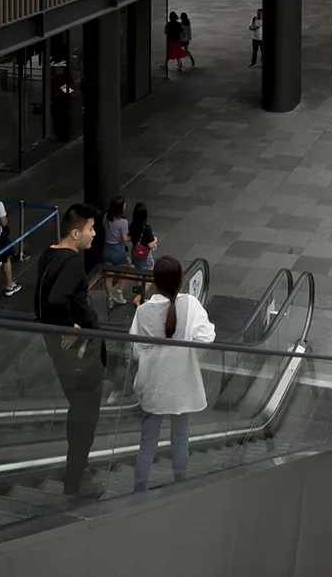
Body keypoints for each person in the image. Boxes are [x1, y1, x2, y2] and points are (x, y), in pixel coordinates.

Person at [34, 204, 107, 498]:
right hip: (78, 354)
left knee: (79, 407)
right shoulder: (74, 262)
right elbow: (55, 298)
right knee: (85, 413)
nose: (94, 234)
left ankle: (76, 473)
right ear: (75, 233)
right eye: (90, 229)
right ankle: (77, 478)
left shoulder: (48, 254)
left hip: (58, 350)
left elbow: (41, 301)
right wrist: (70, 327)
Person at [129, 255, 216, 491]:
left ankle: (139, 492)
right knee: (180, 441)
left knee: (147, 446)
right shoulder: (190, 304)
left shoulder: (144, 312)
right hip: (182, 387)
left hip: (154, 387)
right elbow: (207, 336)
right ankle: (181, 486)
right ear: (180, 280)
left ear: (155, 281)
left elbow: (136, 351)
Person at [100, 195, 132, 306]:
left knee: (108, 276)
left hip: (106, 250)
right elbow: (125, 238)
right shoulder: (123, 221)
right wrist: (133, 236)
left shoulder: (106, 217)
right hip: (118, 251)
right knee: (128, 269)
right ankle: (119, 292)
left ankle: (110, 299)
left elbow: (104, 228)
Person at [128, 203, 158, 272]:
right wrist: (155, 239)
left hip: (135, 252)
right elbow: (150, 245)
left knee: (138, 269)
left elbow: (130, 237)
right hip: (144, 254)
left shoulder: (132, 225)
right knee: (149, 270)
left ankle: (139, 281)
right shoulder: (147, 228)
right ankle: (144, 283)